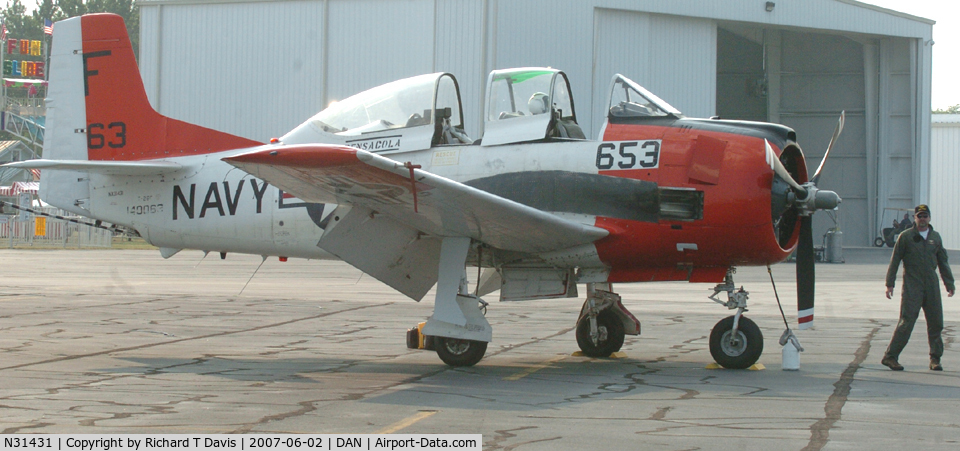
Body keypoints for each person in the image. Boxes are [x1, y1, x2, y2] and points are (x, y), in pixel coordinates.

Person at [882, 204, 955, 371]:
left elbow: (943, 261)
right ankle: (890, 357)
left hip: (931, 286)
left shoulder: (935, 237)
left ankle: (935, 359)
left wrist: (949, 284)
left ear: (929, 218)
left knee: (936, 323)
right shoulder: (905, 237)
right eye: (919, 216)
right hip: (912, 286)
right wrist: (889, 284)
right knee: (906, 322)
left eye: (925, 216)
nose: (922, 219)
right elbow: (895, 261)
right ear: (915, 218)